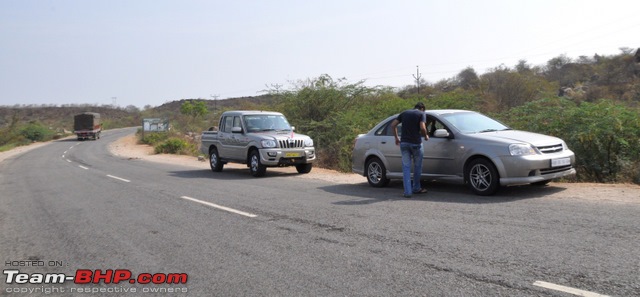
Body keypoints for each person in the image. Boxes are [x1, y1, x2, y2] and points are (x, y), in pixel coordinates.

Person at [391, 102, 429, 198]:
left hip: (404, 143)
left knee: (406, 168)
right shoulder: (421, 114)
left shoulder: (404, 113)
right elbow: (422, 127)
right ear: (422, 108)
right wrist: (426, 136)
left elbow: (393, 125)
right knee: (417, 166)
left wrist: (396, 138)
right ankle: (416, 188)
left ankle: (407, 192)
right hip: (416, 144)